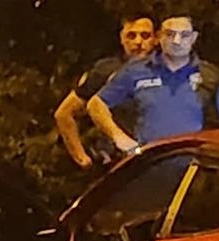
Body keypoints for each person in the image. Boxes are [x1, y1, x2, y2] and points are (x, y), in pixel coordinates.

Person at [87, 12, 219, 155]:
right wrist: (120, 138)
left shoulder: (210, 76)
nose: (176, 41)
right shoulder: (134, 71)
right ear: (159, 37)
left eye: (184, 35)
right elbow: (96, 104)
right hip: (146, 163)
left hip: (193, 167)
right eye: (170, 34)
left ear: (194, 38)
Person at [54, 11, 157, 169]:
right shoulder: (106, 70)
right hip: (118, 162)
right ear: (121, 38)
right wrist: (82, 158)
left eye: (145, 35)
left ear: (156, 39)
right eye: (131, 36)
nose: (138, 42)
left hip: (159, 155)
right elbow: (64, 114)